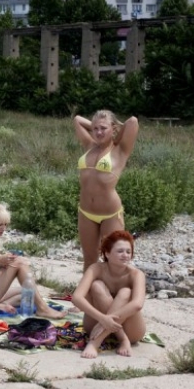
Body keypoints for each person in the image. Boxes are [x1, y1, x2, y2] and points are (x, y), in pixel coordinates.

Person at [0, 200, 66, 319]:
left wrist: (5, 262)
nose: (3, 228)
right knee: (19, 264)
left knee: (27, 292)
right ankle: (43, 309)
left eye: (6, 225)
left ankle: (0, 304)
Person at [74, 111, 139, 272]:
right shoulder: (89, 145)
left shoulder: (121, 150)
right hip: (86, 212)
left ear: (114, 128)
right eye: (95, 129)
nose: (98, 132)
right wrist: (99, 126)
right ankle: (88, 294)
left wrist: (115, 132)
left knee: (113, 260)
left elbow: (132, 121)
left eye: (103, 128)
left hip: (110, 214)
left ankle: (112, 294)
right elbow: (77, 120)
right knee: (89, 259)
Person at [71, 230, 146, 358]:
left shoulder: (136, 274)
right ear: (107, 253)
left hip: (131, 331)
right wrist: (102, 318)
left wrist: (105, 321)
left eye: (128, 252)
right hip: (95, 325)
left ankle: (95, 343)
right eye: (120, 251)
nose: (125, 255)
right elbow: (76, 297)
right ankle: (122, 339)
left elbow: (137, 305)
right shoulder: (96, 269)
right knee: (96, 286)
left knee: (126, 292)